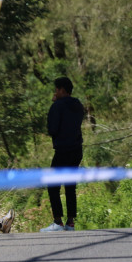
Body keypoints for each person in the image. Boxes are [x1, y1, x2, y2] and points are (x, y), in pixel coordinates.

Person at [40, 77, 84, 232]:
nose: (55, 92)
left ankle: (57, 222)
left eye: (56, 89)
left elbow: (52, 129)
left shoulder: (57, 106)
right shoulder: (78, 104)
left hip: (63, 151)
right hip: (77, 150)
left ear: (62, 90)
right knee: (70, 186)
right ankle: (70, 222)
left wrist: (54, 105)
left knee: (53, 185)